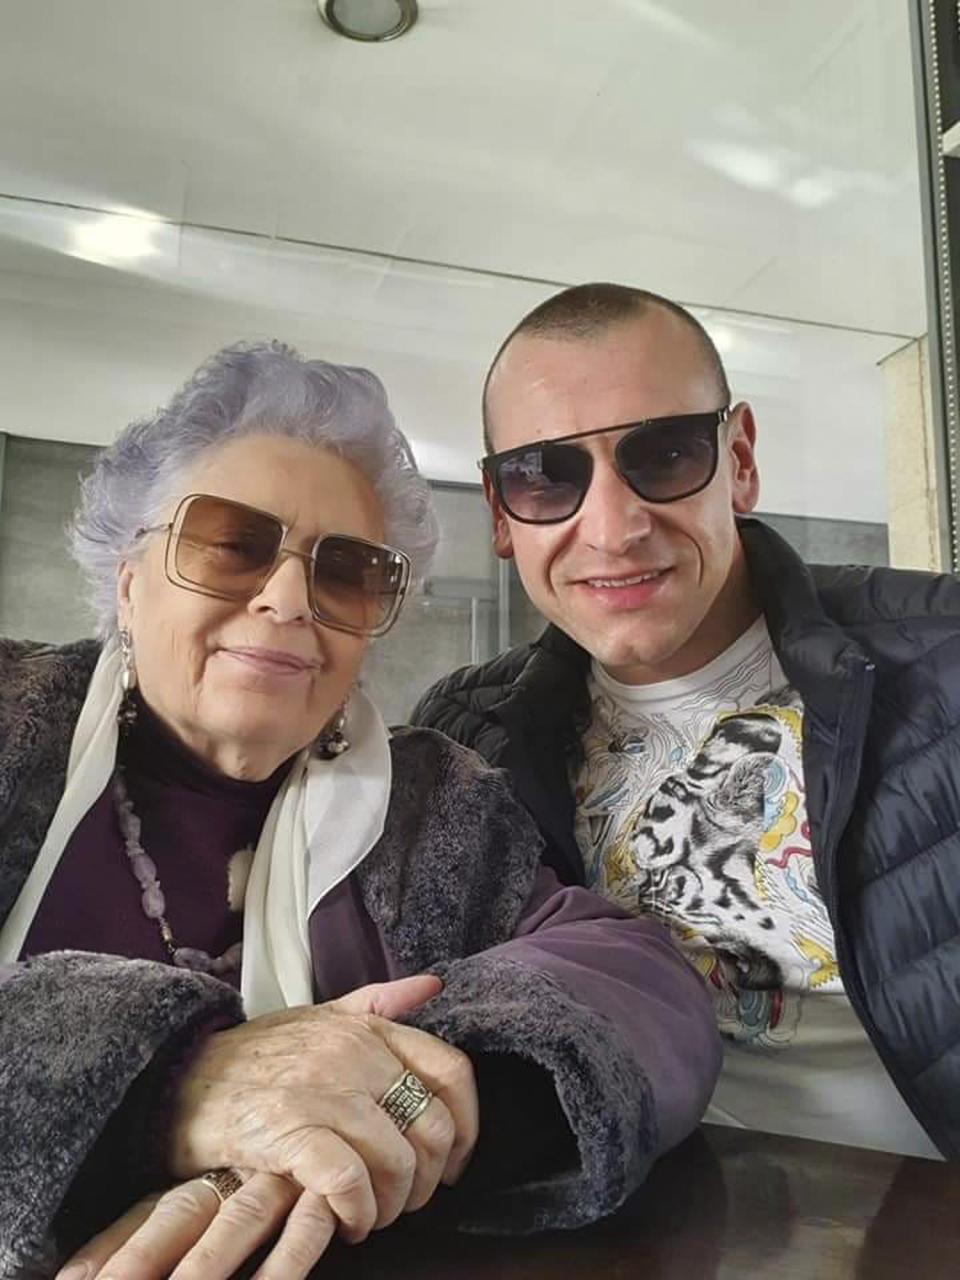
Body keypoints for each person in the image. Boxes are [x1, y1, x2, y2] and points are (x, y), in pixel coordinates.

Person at [0, 341, 720, 1280]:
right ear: (129, 579)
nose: (290, 598)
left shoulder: (433, 800)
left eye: (347, 572)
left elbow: (636, 981)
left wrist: (378, 1106)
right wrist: (173, 1084)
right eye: (229, 543)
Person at [412, 282, 960, 1163]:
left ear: (738, 459)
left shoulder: (943, 663)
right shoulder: (460, 733)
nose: (614, 527)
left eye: (663, 455)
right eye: (547, 475)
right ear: (501, 513)